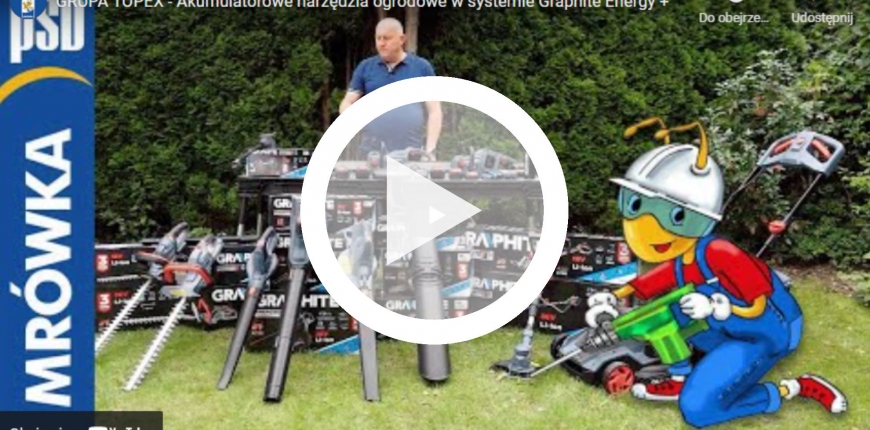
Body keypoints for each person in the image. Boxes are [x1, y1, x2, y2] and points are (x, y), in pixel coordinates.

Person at [585, 118, 847, 429]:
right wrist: (611, 297)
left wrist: (717, 307)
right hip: (722, 327)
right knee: (661, 313)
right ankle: (680, 378)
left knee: (698, 410)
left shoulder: (721, 253)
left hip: (765, 332)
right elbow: (649, 283)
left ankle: (794, 388)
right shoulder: (685, 254)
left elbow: (758, 307)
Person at [339, 18, 442, 157]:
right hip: (371, 153)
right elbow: (347, 102)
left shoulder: (421, 67)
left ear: (402, 39)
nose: (382, 43)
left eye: (387, 38)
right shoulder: (365, 67)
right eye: (378, 38)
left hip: (411, 152)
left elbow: (434, 111)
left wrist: (430, 151)